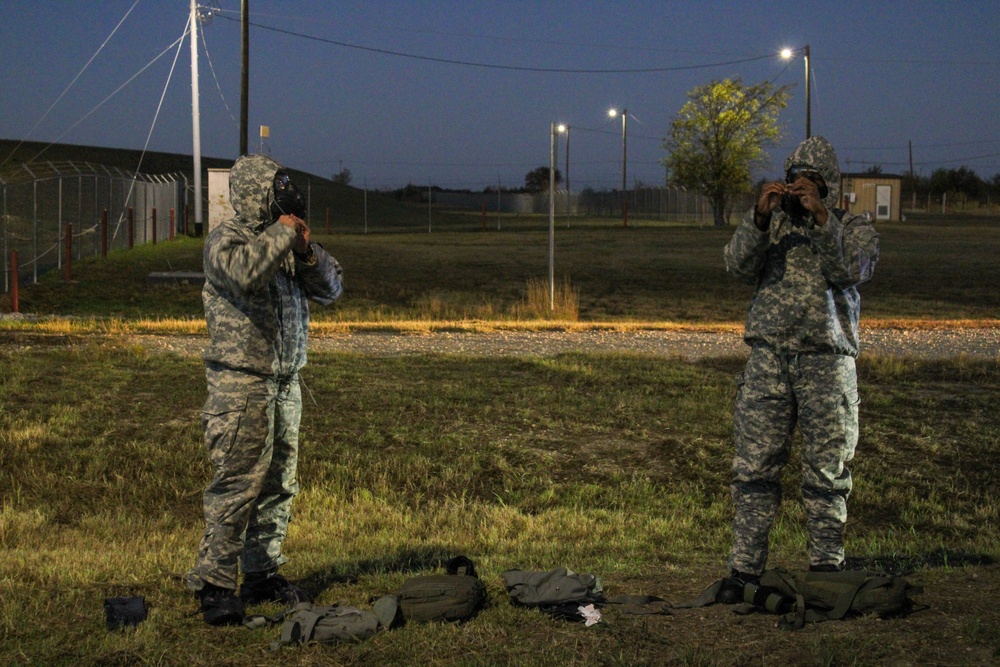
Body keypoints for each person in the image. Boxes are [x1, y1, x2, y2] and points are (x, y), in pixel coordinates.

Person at [185, 154, 344, 625]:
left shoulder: (287, 244)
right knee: (237, 486)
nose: (286, 198)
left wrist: (305, 252)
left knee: (278, 486)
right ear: (257, 193)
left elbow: (332, 288)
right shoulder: (227, 239)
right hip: (242, 385)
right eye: (276, 189)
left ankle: (262, 573)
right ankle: (214, 583)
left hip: (285, 382)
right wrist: (281, 235)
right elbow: (245, 273)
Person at [719, 136, 879, 602]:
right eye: (793, 180)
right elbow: (735, 266)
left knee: (827, 474)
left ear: (826, 187)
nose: (799, 189)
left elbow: (853, 269)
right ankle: (744, 570)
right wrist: (759, 216)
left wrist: (823, 220)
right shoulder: (772, 228)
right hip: (769, 359)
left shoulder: (852, 227)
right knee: (754, 470)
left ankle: (826, 569)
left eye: (810, 182)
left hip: (827, 365)